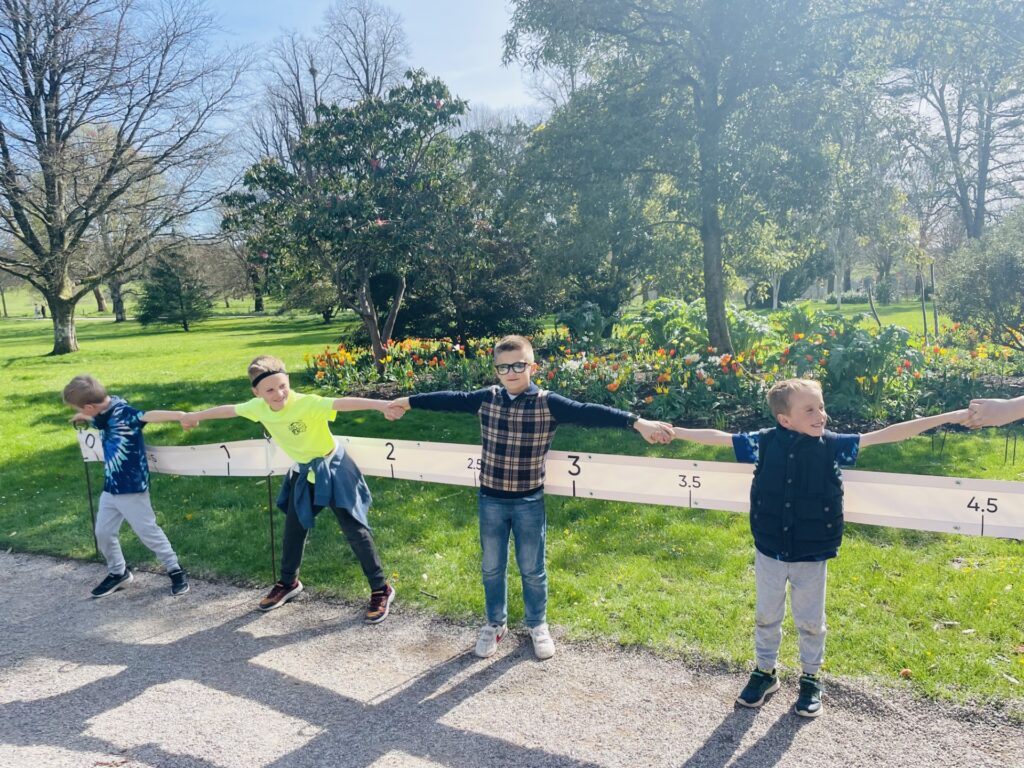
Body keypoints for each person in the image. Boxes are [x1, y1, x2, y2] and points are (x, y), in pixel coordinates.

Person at [668, 378, 965, 717]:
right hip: (770, 549)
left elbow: (886, 434)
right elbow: (719, 438)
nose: (821, 415)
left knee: (810, 621)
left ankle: (811, 678)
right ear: (785, 419)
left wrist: (945, 418)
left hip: (811, 554)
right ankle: (765, 673)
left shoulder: (832, 446)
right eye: (809, 409)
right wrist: (674, 431)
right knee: (766, 616)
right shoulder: (763, 443)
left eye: (821, 407)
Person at [384, 335, 673, 660]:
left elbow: (590, 412)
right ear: (496, 370)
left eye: (519, 365)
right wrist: (406, 401)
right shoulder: (486, 399)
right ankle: (495, 623)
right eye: (504, 367)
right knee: (492, 567)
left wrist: (637, 423)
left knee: (532, 569)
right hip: (490, 500)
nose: (511, 372)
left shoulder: (548, 403)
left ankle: (537, 625)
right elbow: (447, 398)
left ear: (532, 366)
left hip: (529, 502)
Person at [182, 355, 396, 623]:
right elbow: (228, 409)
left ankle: (381, 589)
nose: (278, 393)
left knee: (354, 529)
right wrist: (194, 416)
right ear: (257, 393)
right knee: (294, 528)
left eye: (282, 386)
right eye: (269, 390)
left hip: (333, 467)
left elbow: (345, 403)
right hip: (303, 471)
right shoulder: (257, 408)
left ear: (288, 382)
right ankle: (289, 583)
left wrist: (382, 405)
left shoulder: (307, 403)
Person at [63, 374, 190, 598]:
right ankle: (118, 573)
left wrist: (181, 415)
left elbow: (148, 415)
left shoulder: (126, 414)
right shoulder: (102, 413)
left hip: (131, 488)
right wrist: (83, 416)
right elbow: (99, 419)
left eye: (84, 409)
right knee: (103, 532)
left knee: (148, 532)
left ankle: (175, 570)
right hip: (111, 487)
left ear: (92, 405)